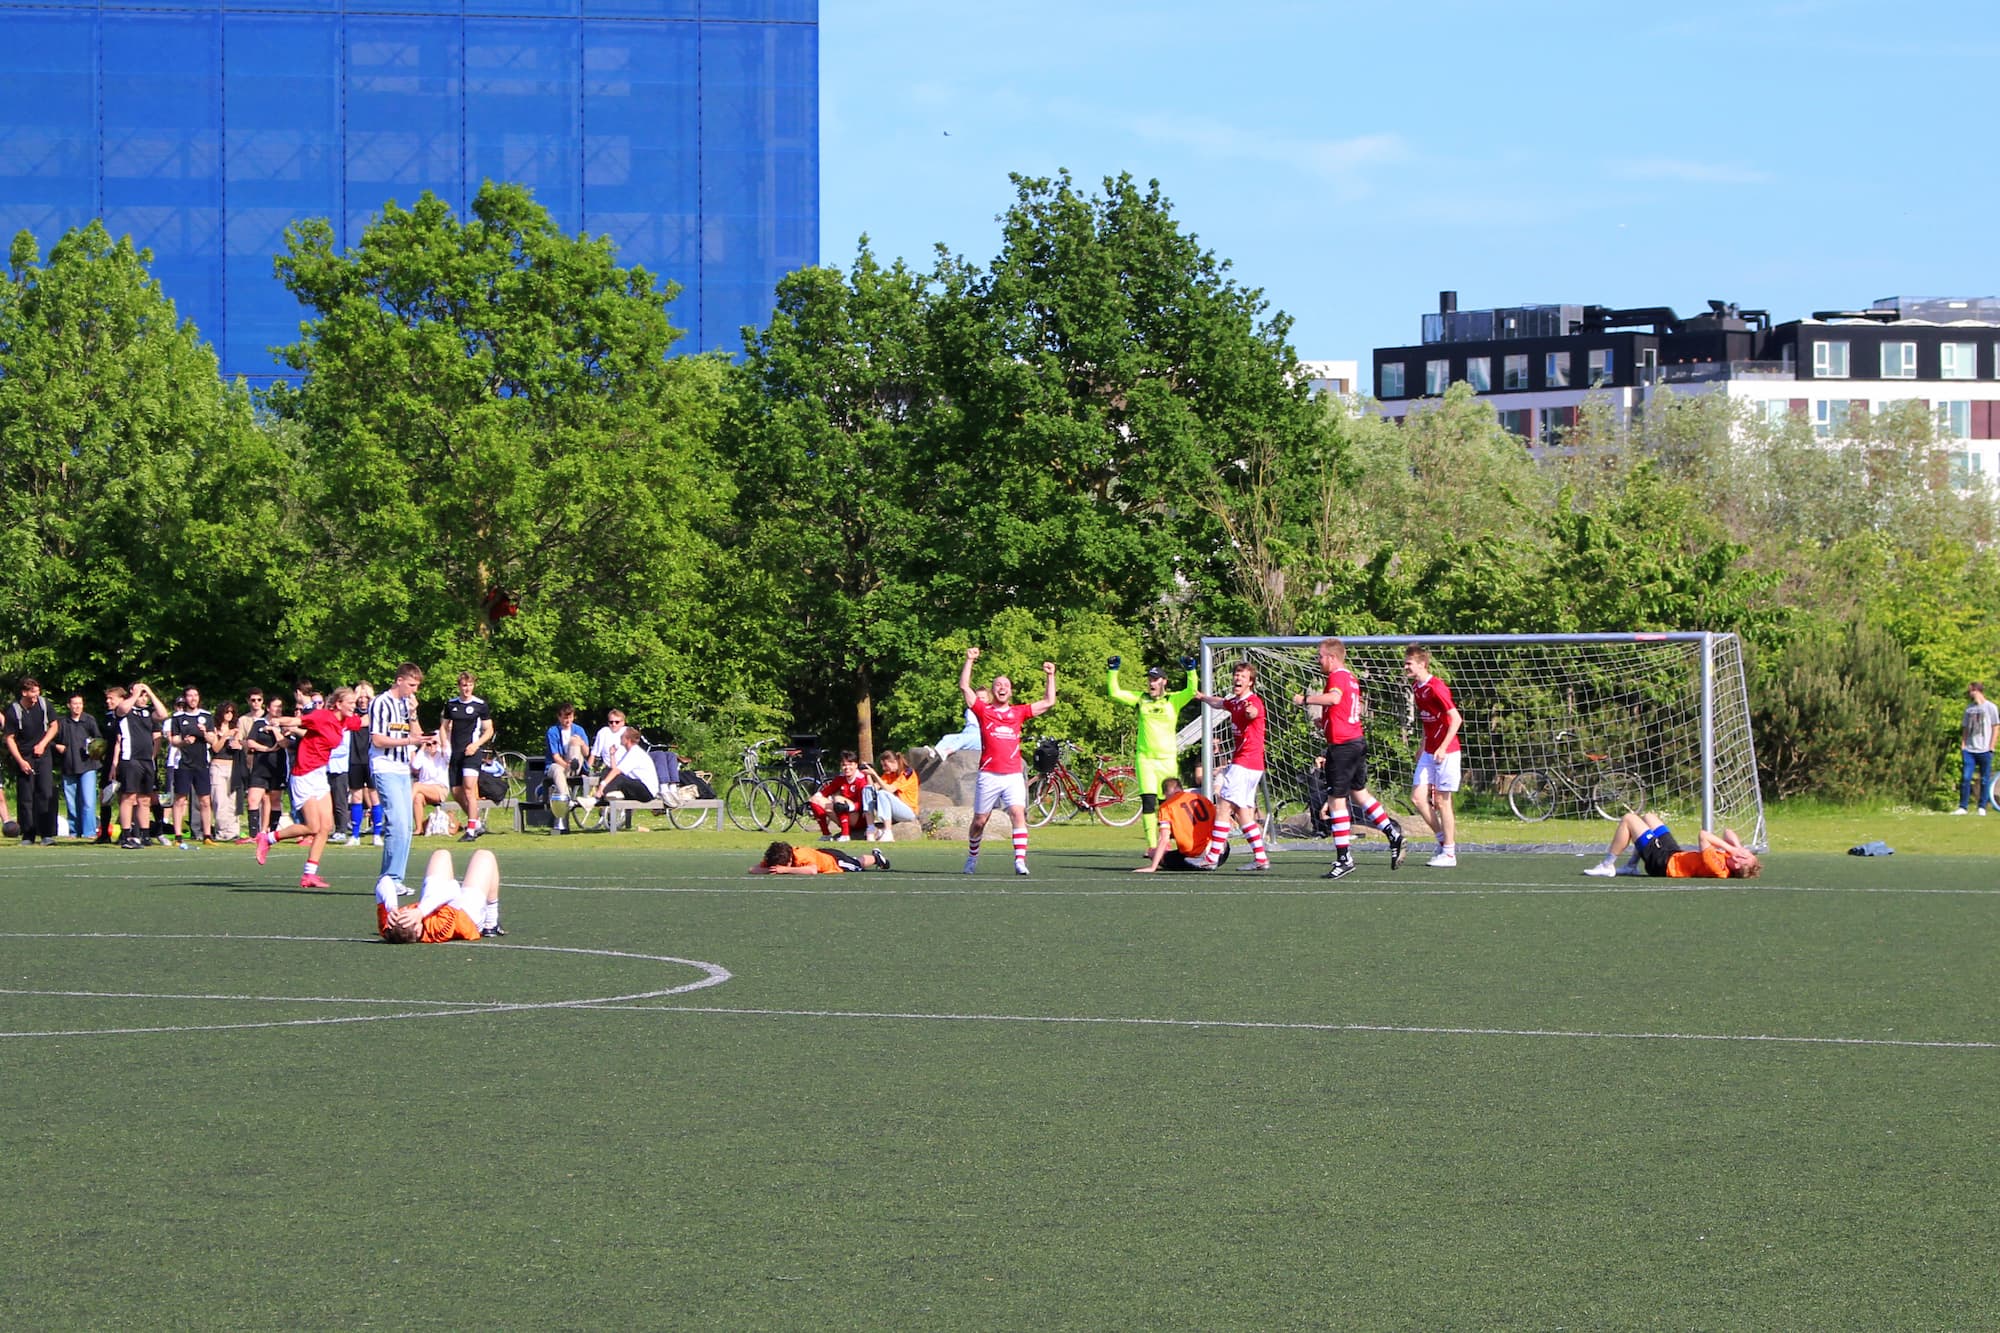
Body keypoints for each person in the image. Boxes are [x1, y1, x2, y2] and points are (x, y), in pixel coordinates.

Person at [1293, 637, 1407, 880]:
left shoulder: (1337, 676)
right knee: (1359, 793)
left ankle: (1344, 858)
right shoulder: (1352, 678)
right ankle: (1392, 833)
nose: (1318, 660)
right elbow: (1343, 707)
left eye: (1320, 656)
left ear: (1332, 658)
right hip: (1355, 741)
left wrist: (1306, 699)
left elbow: (1334, 698)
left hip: (1343, 746)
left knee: (1336, 801)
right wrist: (1325, 722)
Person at [256, 685, 368, 888]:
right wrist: (278, 721)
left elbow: (365, 720)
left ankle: (309, 874)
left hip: (319, 775)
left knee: (326, 826)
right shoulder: (322, 716)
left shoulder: (346, 721)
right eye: (350, 702)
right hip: (304, 774)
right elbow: (296, 721)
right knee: (312, 826)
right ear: (338, 704)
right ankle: (268, 838)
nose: (354, 706)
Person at [959, 646, 1058, 876]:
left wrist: (1050, 675)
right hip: (989, 773)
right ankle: (972, 857)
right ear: (993, 691)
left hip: (1013, 774)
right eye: (998, 685)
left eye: (1006, 685)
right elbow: (965, 687)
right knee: (980, 821)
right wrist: (969, 660)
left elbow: (1048, 701)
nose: (1002, 688)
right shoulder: (984, 711)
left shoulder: (1019, 712)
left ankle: (1020, 861)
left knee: (1017, 813)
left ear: (1011, 692)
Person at [1107, 655, 1199, 852]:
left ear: (1164, 681)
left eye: (1156, 679)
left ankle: (1171, 842)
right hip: (1145, 759)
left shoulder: (1173, 700)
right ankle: (1152, 846)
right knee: (1148, 802)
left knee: (1167, 804)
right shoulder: (1141, 699)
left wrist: (1191, 670)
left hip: (1167, 760)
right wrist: (1112, 670)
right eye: (1150, 679)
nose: (1152, 682)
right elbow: (1114, 693)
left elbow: (1191, 690)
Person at [1192, 661, 1272, 871]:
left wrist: (1250, 712)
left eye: (1243, 677)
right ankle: (1261, 858)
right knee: (1243, 813)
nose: (1238, 679)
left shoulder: (1252, 701)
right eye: (1237, 675)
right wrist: (1203, 698)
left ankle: (1211, 858)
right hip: (1250, 765)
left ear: (1251, 682)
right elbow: (1221, 703)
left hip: (1245, 763)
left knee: (1223, 806)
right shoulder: (1235, 701)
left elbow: (1253, 712)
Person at [369, 662, 429, 896]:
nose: (414, 690)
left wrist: (413, 714)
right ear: (400, 680)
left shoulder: (406, 704)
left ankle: (396, 878)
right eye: (411, 685)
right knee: (396, 822)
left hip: (403, 768)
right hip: (385, 767)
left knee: (406, 825)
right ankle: (389, 878)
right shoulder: (381, 703)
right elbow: (377, 740)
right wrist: (408, 742)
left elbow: (416, 734)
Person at [1404, 645, 1463, 868]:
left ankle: (1449, 853)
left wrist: (1442, 747)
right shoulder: (1417, 688)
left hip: (1447, 752)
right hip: (1430, 751)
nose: (1406, 666)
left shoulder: (1436, 687)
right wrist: (1424, 744)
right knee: (1418, 798)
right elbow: (1429, 722)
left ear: (1422, 664)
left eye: (1409, 663)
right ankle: (1442, 840)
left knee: (1441, 801)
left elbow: (1455, 719)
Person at [377, 847, 507, 942]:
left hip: (437, 904)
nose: (405, 910)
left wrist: (391, 907)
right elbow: (453, 889)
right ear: (417, 929)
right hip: (466, 915)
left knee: (441, 854)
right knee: (484, 856)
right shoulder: (439, 928)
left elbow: (384, 881)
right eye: (407, 916)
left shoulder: (388, 928)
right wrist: (421, 911)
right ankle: (491, 923)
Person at [1583, 812, 1761, 879]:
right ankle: (1631, 866)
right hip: (1675, 855)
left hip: (1662, 864)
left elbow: (1703, 835)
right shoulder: (1733, 857)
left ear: (1738, 865)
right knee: (1649, 817)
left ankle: (1607, 865)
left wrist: (1731, 849)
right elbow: (1728, 831)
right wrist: (1737, 847)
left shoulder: (1719, 868)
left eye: (1745, 856)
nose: (1743, 852)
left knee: (1629, 819)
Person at [441, 671, 495, 842]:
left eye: (470, 685)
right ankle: (477, 823)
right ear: (459, 686)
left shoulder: (480, 705)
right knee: (456, 792)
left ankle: (471, 830)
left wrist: (476, 745)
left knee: (469, 789)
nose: (467, 689)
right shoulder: (451, 704)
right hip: (456, 752)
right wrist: (444, 745)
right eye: (464, 685)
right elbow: (443, 727)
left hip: (472, 752)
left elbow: (489, 730)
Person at [1133, 778, 1230, 873]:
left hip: (1196, 857)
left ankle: (1203, 863)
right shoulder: (1202, 798)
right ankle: (1210, 859)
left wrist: (1153, 867)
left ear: (1165, 793)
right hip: (1220, 853)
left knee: (1152, 852)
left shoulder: (1166, 807)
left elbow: (1164, 839)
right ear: (1181, 789)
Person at [5, 677, 60, 844]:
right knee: (26, 796)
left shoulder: (44, 705)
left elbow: (54, 725)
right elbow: (9, 738)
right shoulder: (14, 711)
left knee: (45, 792)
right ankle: (28, 834)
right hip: (24, 756)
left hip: (43, 755)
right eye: (33, 692)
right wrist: (21, 761)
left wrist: (43, 744)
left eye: (38, 691)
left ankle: (46, 834)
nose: (37, 695)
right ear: (24, 692)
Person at [108, 682, 162, 848]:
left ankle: (145, 834)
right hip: (130, 759)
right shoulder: (124, 710)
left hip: (147, 760)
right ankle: (126, 834)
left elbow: (163, 714)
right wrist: (134, 694)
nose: (143, 698)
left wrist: (150, 693)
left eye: (145, 695)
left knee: (145, 799)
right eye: (141, 695)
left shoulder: (148, 712)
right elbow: (122, 709)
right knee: (128, 796)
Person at [166, 686, 220, 846]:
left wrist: (204, 733)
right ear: (185, 698)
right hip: (183, 763)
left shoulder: (206, 716)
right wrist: (183, 742)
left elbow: (213, 740)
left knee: (204, 799)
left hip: (201, 763)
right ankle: (178, 836)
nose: (193, 698)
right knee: (180, 799)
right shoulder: (177, 717)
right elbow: (173, 740)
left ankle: (207, 835)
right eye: (189, 696)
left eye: (195, 695)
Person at [53, 690, 103, 842]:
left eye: (80, 704)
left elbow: (99, 739)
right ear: (69, 705)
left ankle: (89, 832)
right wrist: (57, 746)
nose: (77, 707)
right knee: (72, 802)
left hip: (88, 765)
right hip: (69, 765)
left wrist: (93, 747)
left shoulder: (89, 720)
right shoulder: (62, 722)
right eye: (74, 704)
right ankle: (74, 831)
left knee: (88, 800)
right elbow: (50, 739)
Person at [243, 694, 289, 841]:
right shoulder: (258, 724)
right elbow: (250, 742)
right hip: (260, 768)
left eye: (280, 707)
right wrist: (266, 749)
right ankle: (254, 834)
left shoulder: (285, 724)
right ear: (268, 708)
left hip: (278, 767)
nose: (278, 709)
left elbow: (284, 744)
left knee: (274, 800)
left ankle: (271, 833)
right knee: (253, 799)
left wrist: (275, 730)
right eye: (275, 706)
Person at [346, 680, 384, 846]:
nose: (362, 700)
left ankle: (377, 834)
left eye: (366, 696)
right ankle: (355, 835)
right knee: (356, 796)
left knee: (374, 796)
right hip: (354, 758)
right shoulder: (350, 713)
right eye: (359, 697)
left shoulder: (375, 712)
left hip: (371, 758)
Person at [544, 704, 592, 832]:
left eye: (570, 717)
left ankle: (574, 764)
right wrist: (566, 766)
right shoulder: (552, 731)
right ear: (559, 717)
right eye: (565, 718)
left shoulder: (578, 730)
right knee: (558, 770)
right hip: (558, 765)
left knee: (575, 741)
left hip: (576, 764)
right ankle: (566, 799)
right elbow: (555, 756)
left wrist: (581, 743)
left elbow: (587, 753)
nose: (568, 721)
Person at [1954, 682, 1998, 815]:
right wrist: (1963, 745)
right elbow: (1965, 728)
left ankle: (1982, 807)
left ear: (1976, 691)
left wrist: (1991, 746)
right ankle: (1963, 807)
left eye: (1970, 691)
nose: (1969, 694)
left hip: (1985, 749)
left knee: (1985, 779)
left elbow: (1996, 727)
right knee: (1966, 778)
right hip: (1970, 750)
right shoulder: (1969, 709)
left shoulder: (1990, 707)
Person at [860, 750, 919, 842]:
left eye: (885, 765)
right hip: (893, 813)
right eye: (882, 766)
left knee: (883, 793)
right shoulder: (888, 775)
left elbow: (890, 789)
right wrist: (867, 774)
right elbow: (873, 788)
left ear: (895, 762)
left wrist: (874, 774)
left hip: (908, 811)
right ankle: (871, 828)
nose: (884, 768)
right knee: (867, 789)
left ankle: (888, 832)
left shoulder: (907, 773)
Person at [810, 750, 868, 841]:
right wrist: (812, 799)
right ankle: (826, 834)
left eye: (850, 764)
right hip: (843, 814)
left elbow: (863, 804)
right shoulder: (840, 778)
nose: (847, 767)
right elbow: (825, 792)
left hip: (859, 818)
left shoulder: (862, 780)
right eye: (844, 765)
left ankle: (845, 835)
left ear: (856, 765)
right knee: (815, 800)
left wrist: (849, 807)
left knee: (838, 798)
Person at [208, 700, 244, 843]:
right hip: (217, 766)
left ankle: (233, 831)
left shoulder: (236, 728)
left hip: (233, 766)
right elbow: (215, 748)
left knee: (233, 800)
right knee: (219, 800)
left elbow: (241, 744)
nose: (229, 715)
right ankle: (222, 831)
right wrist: (224, 736)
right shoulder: (214, 728)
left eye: (232, 712)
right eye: (226, 711)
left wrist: (238, 743)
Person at [410, 738, 459, 837]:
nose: (432, 746)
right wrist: (423, 747)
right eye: (429, 744)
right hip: (424, 789)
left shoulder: (442, 756)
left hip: (440, 788)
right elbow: (415, 765)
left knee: (416, 786)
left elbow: (449, 755)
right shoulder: (423, 755)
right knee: (418, 797)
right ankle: (419, 828)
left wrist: (441, 743)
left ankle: (405, 806)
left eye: (434, 743)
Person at [750, 841, 891, 874]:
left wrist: (785, 870)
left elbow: (812, 870)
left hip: (834, 861)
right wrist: (771, 869)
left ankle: (876, 857)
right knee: (854, 860)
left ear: (790, 861)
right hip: (821, 853)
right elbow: (752, 869)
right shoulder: (778, 857)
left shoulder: (801, 856)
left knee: (857, 864)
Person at [930, 690, 988, 757]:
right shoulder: (970, 710)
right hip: (967, 733)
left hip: (980, 736)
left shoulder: (989, 711)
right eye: (978, 698)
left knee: (964, 739)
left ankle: (947, 752)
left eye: (983, 698)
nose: (980, 699)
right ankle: (935, 751)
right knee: (948, 737)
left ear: (988, 699)